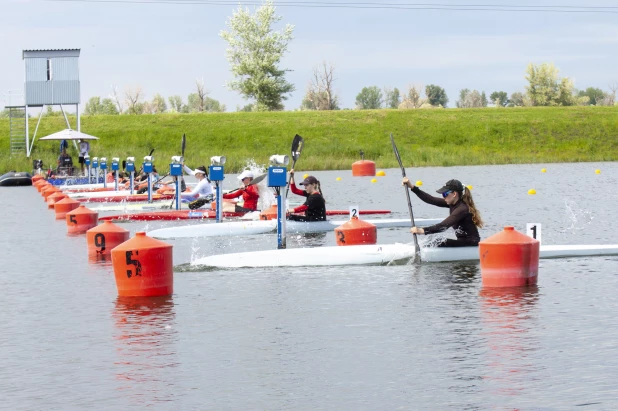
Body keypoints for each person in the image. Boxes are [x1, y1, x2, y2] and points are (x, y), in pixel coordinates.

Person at [402, 178, 484, 247]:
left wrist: (421, 230)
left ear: (454, 194)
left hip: (471, 244)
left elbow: (443, 226)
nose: (443, 197)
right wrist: (412, 187)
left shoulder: (462, 209)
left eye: (445, 194)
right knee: (433, 240)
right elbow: (431, 200)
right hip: (462, 242)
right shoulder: (453, 203)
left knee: (437, 241)